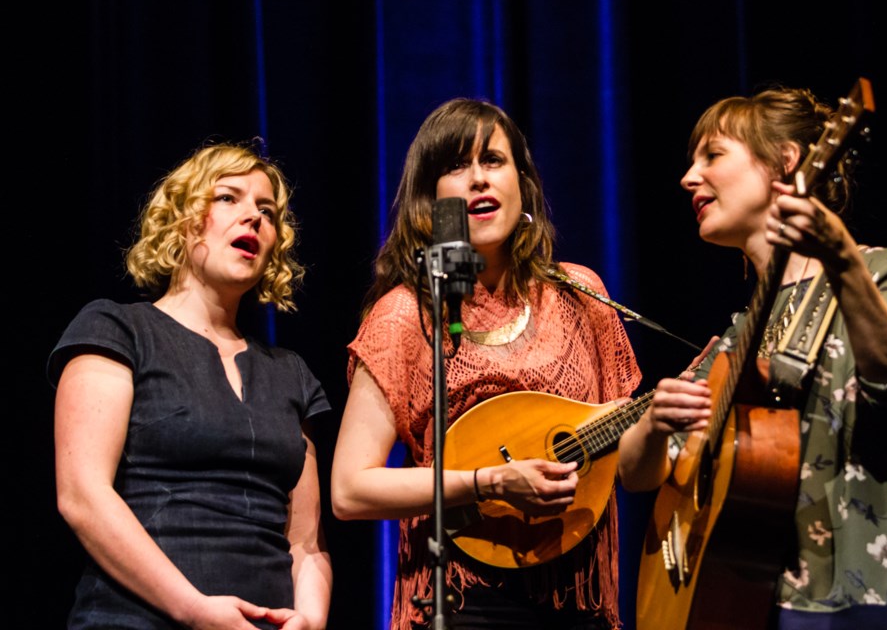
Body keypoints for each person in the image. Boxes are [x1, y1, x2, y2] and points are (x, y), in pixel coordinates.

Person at [619, 86, 887, 628]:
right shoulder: (737, 339)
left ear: (787, 163)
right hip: (767, 604)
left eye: (713, 155)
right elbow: (637, 475)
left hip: (880, 595)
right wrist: (656, 424)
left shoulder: (880, 273)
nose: (688, 178)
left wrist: (841, 258)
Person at [330, 98, 642, 629]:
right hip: (462, 599)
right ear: (429, 201)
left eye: (493, 161)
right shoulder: (405, 315)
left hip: (576, 595)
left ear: (523, 183)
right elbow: (349, 490)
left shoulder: (582, 294)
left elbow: (630, 461)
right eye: (455, 166)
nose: (478, 179)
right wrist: (491, 482)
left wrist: (670, 414)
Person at [49, 141, 333, 629]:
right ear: (181, 219)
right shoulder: (118, 331)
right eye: (229, 198)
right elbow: (82, 495)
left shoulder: (291, 373)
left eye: (267, 210)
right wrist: (195, 609)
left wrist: (309, 619)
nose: (254, 218)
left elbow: (306, 542)